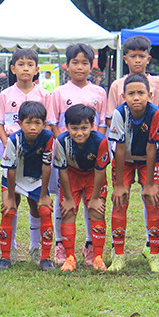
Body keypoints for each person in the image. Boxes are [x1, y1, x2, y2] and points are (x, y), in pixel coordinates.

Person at [47, 43, 108, 266]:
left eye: (85, 63)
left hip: (91, 159)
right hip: (66, 158)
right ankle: (62, 245)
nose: (80, 67)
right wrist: (63, 146)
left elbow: (101, 124)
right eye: (75, 62)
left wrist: (95, 145)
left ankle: (92, 246)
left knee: (93, 204)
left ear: (91, 66)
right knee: (64, 203)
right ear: (67, 65)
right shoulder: (59, 92)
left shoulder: (99, 92)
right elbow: (53, 123)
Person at [107, 74, 159, 273]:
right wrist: (119, 185)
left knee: (152, 200)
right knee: (120, 200)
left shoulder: (156, 113)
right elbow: (120, 148)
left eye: (141, 93)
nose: (136, 97)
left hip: (148, 160)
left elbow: (152, 149)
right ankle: (118, 254)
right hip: (125, 160)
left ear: (150, 94)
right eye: (131, 93)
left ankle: (154, 253)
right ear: (124, 96)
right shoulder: (119, 113)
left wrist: (149, 184)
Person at [0, 101, 54, 270]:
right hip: (13, 178)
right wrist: (10, 197)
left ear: (44, 124)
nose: (33, 127)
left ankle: (45, 257)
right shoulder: (13, 140)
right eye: (28, 122)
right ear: (20, 124)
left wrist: (44, 195)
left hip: (35, 179)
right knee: (9, 210)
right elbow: (11, 169)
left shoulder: (48, 138)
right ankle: (6, 256)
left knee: (43, 210)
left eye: (38, 123)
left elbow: (46, 166)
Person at [53, 104, 111, 271]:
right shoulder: (61, 142)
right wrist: (69, 199)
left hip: (93, 176)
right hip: (71, 176)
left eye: (84, 128)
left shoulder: (100, 141)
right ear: (67, 127)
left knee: (96, 211)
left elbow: (101, 172)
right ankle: (70, 257)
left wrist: (94, 199)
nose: (79, 132)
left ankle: (97, 256)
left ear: (92, 127)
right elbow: (62, 171)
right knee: (68, 212)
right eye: (74, 128)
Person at [105, 35, 159, 122]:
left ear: (148, 59)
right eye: (133, 56)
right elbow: (110, 117)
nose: (137, 60)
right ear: (125, 59)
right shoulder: (117, 85)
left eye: (142, 56)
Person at [0, 48, 51, 147]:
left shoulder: (44, 95)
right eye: (21, 64)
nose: (25, 68)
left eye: (30, 65)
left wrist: (42, 143)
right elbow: (0, 124)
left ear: (36, 70)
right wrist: (6, 144)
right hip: (12, 145)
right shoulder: (5, 95)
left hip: (37, 146)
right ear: (13, 69)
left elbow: (49, 123)